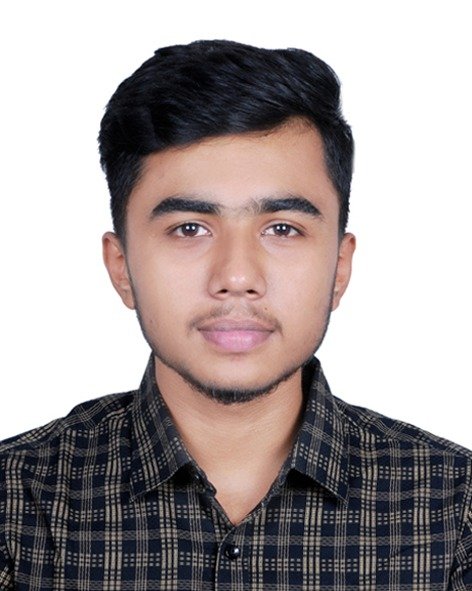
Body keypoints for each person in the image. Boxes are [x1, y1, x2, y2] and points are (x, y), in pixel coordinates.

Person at [0, 39, 470, 590]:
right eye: (189, 229)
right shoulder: (16, 504)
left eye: (283, 229)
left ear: (339, 268)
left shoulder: (454, 508)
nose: (237, 275)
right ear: (121, 266)